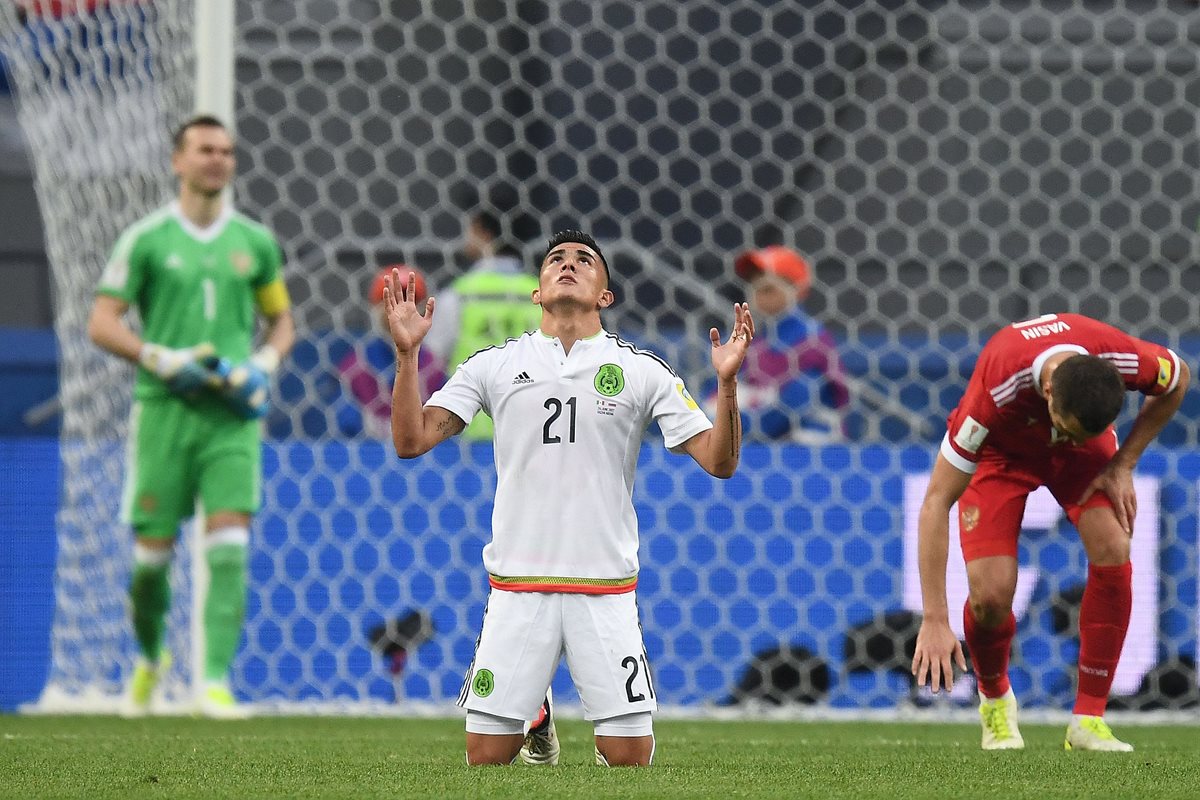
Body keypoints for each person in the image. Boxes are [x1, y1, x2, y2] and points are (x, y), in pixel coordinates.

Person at [384, 230, 754, 766]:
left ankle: (549, 707)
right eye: (555, 258)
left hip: (604, 588)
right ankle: (535, 713)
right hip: (518, 586)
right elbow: (410, 440)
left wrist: (726, 386)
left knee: (630, 760)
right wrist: (406, 356)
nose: (567, 264)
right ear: (536, 292)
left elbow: (720, 462)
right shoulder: (494, 365)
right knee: (486, 758)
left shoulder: (640, 371)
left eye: (585, 260)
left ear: (605, 295)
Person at [87, 114, 295, 718]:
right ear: (178, 161)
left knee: (229, 539)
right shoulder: (146, 239)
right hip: (164, 411)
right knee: (151, 561)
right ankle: (152, 659)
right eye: (205, 150)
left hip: (230, 415)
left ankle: (213, 682)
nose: (217, 160)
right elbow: (102, 321)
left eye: (226, 152)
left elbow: (282, 321)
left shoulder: (254, 243)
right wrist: (157, 355)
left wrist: (262, 362)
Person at [910, 313, 1189, 752]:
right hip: (1001, 456)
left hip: (1084, 463)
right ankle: (996, 700)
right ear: (1048, 392)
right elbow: (935, 502)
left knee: (1114, 546)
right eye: (1065, 427)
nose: (1065, 436)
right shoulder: (995, 389)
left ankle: (1088, 720)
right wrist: (935, 618)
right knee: (990, 599)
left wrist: (1123, 462)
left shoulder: (1120, 355)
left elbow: (1178, 377)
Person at [421, 210, 542, 440]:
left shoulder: (460, 295)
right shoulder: (543, 294)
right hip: (533, 434)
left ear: (482, 232)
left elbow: (430, 363)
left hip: (472, 434)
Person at [715, 246, 849, 443]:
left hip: (810, 452)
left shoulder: (811, 339)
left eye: (768, 289)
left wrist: (731, 430)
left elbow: (797, 400)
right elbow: (713, 395)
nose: (757, 295)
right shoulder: (746, 336)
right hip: (755, 447)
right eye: (753, 287)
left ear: (795, 289)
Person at [336, 265, 445, 438]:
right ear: (376, 308)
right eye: (391, 302)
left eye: (410, 301)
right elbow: (346, 425)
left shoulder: (433, 366)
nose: (401, 309)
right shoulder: (356, 364)